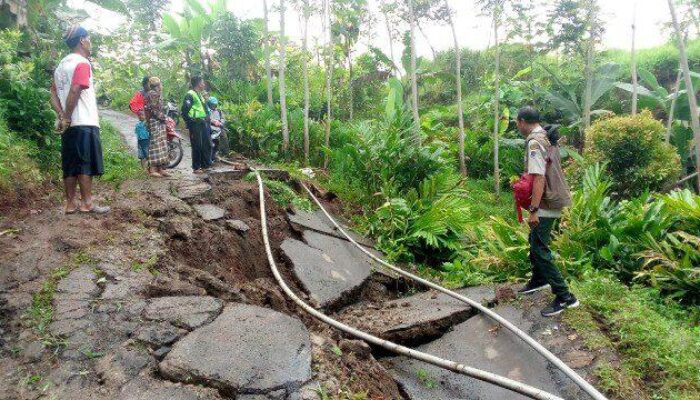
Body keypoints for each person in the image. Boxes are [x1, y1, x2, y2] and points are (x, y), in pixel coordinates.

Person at [515, 106, 577, 317]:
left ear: (522, 121)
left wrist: (533, 209)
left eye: (517, 122)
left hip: (546, 202)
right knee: (535, 242)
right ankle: (539, 279)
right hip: (552, 197)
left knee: (540, 248)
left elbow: (539, 177)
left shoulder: (535, 142)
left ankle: (565, 296)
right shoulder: (547, 137)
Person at [49, 26, 109, 215]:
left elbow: (52, 93)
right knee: (84, 162)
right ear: (82, 40)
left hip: (68, 125)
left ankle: (70, 204)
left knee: (70, 163)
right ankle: (87, 203)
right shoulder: (81, 63)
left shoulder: (60, 66)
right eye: (88, 38)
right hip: (84, 121)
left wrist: (61, 116)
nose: (90, 42)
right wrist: (67, 115)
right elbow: (76, 89)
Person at [182, 76, 212, 174]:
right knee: (197, 145)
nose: (204, 84)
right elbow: (184, 110)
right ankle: (196, 167)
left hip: (203, 123)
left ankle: (205, 165)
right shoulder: (190, 94)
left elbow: (203, 109)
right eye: (203, 82)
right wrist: (190, 122)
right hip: (195, 124)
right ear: (198, 83)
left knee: (206, 143)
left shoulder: (199, 95)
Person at [144, 77, 170, 178]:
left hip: (158, 122)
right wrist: (164, 118)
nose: (161, 86)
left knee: (161, 144)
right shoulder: (153, 94)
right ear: (158, 85)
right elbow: (154, 110)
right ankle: (152, 169)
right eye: (160, 84)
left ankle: (160, 169)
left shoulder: (154, 94)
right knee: (155, 144)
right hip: (155, 121)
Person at [207, 96, 225, 161]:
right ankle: (208, 158)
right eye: (212, 104)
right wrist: (213, 121)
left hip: (218, 130)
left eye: (215, 104)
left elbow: (223, 119)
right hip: (209, 130)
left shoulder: (219, 111)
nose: (214, 106)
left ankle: (215, 156)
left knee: (217, 144)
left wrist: (221, 123)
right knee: (209, 145)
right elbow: (206, 119)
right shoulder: (207, 111)